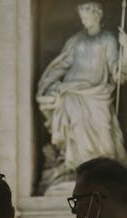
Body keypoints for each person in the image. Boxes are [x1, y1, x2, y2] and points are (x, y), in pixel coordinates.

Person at [36, 2, 127, 189]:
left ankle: (104, 175)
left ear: (98, 15)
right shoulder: (75, 41)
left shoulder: (108, 40)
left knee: (105, 133)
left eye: (87, 16)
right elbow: (61, 65)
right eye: (82, 17)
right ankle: (78, 172)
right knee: (75, 128)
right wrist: (47, 84)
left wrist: (125, 50)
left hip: (98, 94)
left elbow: (118, 75)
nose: (84, 20)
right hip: (72, 92)